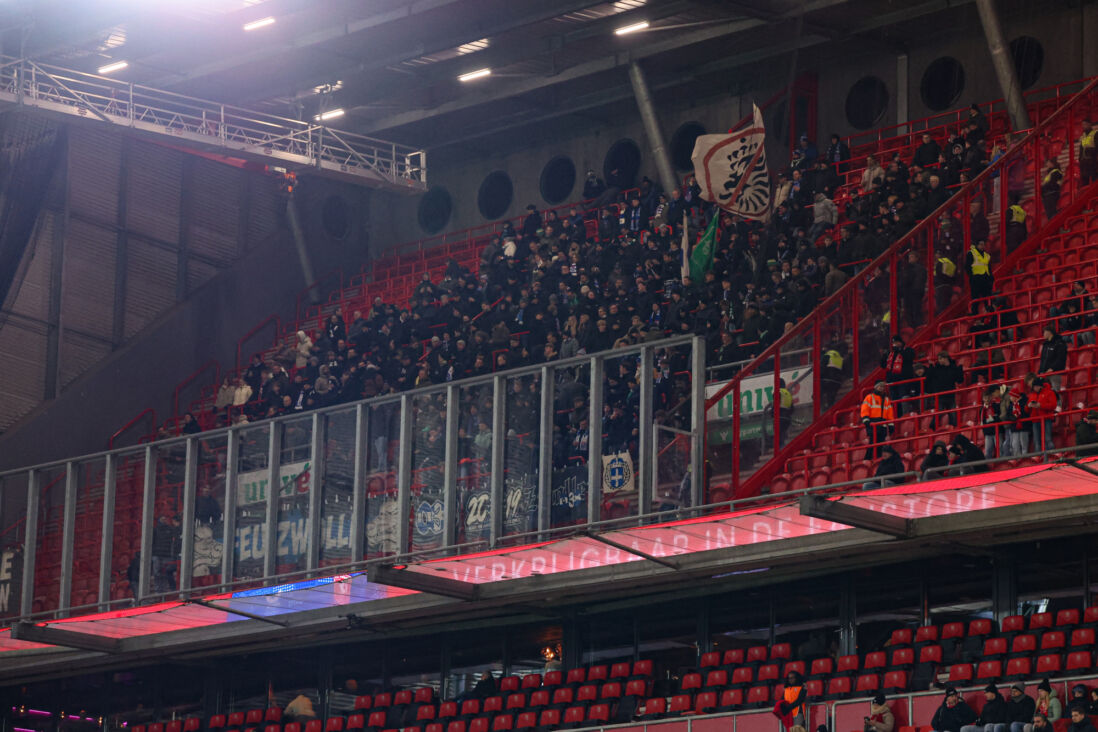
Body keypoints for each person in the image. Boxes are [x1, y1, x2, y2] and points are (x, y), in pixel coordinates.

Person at [881, 336, 916, 416]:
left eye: (897, 342)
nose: (895, 345)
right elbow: (883, 365)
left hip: (904, 381)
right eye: (894, 343)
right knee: (894, 401)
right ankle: (897, 418)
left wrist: (900, 351)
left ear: (901, 342)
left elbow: (909, 358)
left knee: (903, 399)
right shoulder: (891, 354)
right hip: (892, 382)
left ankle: (905, 417)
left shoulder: (908, 350)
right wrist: (884, 356)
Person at [861, 381, 895, 460]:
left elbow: (890, 413)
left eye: (883, 387)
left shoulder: (886, 399)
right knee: (873, 443)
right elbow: (865, 409)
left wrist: (891, 425)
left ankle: (877, 460)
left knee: (880, 443)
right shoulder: (870, 397)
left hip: (882, 424)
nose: (882, 388)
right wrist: (866, 420)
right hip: (872, 424)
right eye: (880, 386)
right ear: (875, 387)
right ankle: (868, 460)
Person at [1026, 376, 1058, 453]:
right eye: (1034, 386)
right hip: (1035, 420)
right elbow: (1026, 410)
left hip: (1046, 419)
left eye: (1036, 386)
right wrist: (1028, 406)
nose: (1035, 388)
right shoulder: (1031, 395)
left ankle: (1052, 456)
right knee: (1036, 441)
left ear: (1040, 386)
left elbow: (1053, 405)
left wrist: (1041, 405)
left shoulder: (1049, 392)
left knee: (1047, 439)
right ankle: (1038, 459)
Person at [1038, 326, 1067, 391]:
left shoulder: (1060, 343)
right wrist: (1040, 371)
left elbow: (1061, 358)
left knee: (1056, 393)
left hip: (1055, 373)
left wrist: (1052, 368)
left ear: (1049, 332)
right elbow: (1043, 360)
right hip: (1045, 374)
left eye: (1044, 332)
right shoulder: (1045, 344)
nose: (1043, 334)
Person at [966, 239, 994, 307]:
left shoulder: (987, 255)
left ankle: (990, 311)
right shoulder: (971, 253)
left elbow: (988, 267)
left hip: (985, 278)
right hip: (976, 278)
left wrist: (991, 278)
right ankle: (974, 313)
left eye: (983, 244)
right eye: (981, 244)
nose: (982, 246)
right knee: (975, 298)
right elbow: (967, 266)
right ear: (977, 245)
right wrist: (972, 277)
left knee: (987, 298)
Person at [1080, 119, 1097, 185]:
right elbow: (1081, 149)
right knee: (1085, 182)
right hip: (1084, 163)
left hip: (1093, 161)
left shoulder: (1095, 133)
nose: (1083, 126)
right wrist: (1080, 160)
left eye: (1085, 124)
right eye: (1082, 125)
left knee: (1094, 180)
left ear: (1090, 124)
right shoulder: (1083, 136)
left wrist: (1090, 150)